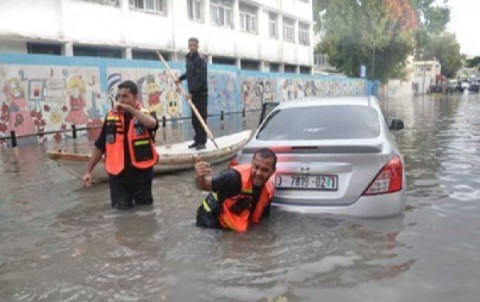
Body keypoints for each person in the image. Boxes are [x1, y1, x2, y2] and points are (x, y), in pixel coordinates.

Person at [82, 80, 159, 210]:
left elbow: (152, 124)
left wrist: (131, 109)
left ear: (135, 97)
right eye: (119, 96)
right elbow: (100, 146)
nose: (121, 100)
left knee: (145, 213)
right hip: (118, 177)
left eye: (125, 96)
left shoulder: (147, 114)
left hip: (142, 175)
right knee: (121, 215)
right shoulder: (111, 117)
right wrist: (88, 171)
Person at [194, 148, 277, 232]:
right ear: (251, 164)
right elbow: (203, 186)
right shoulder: (233, 177)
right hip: (210, 218)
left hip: (231, 223)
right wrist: (200, 177)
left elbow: (263, 219)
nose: (259, 173)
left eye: (265, 170)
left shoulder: (269, 190)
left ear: (273, 171)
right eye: (256, 167)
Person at [175, 37, 208, 150]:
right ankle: (197, 140)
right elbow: (190, 73)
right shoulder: (189, 58)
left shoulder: (201, 59)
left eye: (194, 45)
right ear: (188, 46)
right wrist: (180, 78)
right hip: (193, 94)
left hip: (201, 94)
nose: (192, 47)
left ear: (198, 46)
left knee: (201, 118)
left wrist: (192, 92)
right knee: (194, 119)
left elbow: (200, 77)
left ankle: (202, 142)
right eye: (191, 45)